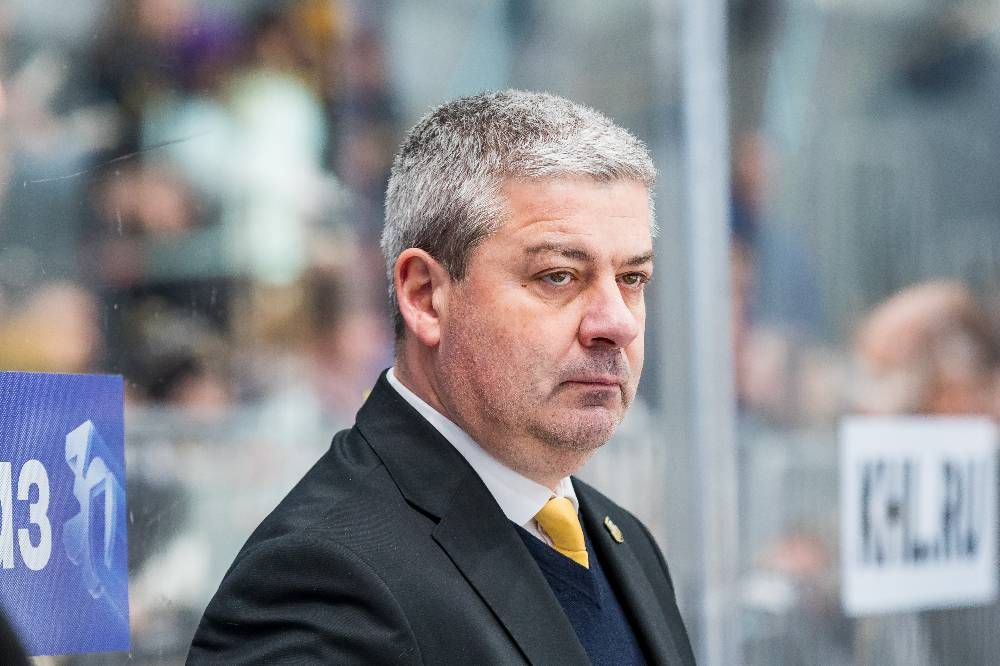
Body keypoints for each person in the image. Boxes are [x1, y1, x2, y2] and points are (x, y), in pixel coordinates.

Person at [188, 90, 696, 665]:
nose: (617, 323)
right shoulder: (322, 580)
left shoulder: (626, 544)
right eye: (558, 276)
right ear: (426, 296)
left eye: (632, 279)